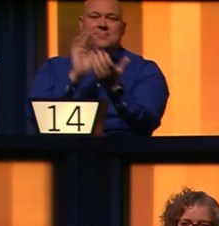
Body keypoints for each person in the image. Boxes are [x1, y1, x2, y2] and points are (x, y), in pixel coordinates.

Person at [29, 0, 169, 136]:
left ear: (123, 28)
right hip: (69, 149)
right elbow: (35, 116)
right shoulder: (53, 68)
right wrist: (74, 77)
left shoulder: (145, 71)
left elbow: (148, 121)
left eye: (111, 18)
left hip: (122, 149)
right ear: (81, 24)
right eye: (94, 17)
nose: (102, 24)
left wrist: (115, 89)